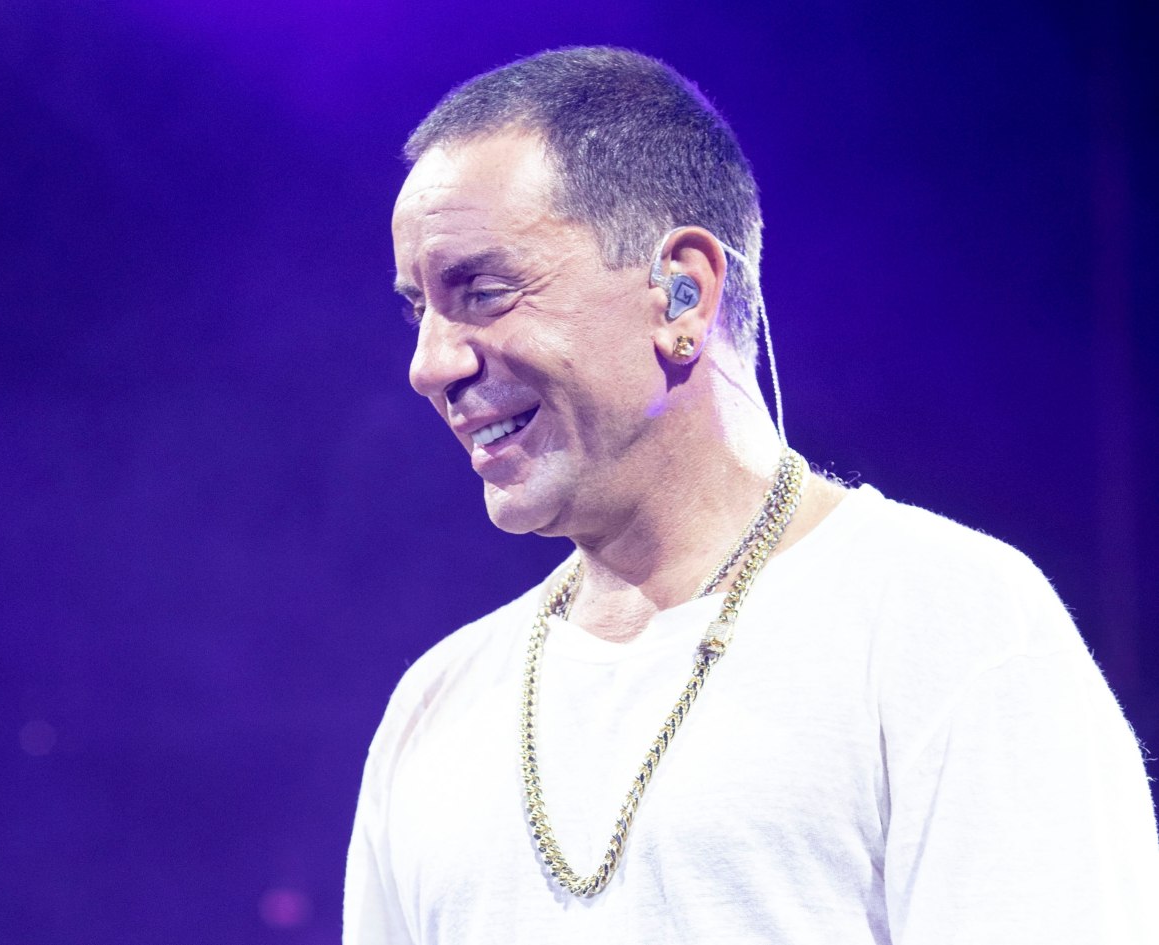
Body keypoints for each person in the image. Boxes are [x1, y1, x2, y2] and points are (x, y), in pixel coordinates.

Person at [344, 46, 1159, 944]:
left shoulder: (947, 624)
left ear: (682, 292)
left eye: (485, 292)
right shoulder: (436, 707)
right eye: (419, 309)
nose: (430, 365)